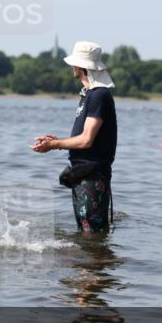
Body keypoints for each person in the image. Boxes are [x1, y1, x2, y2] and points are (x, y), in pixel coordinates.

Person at [31, 41, 117, 233]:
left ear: (79, 66)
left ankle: (93, 263)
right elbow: (84, 138)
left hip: (93, 176)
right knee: (87, 234)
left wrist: (54, 144)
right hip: (83, 173)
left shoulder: (99, 95)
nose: (71, 67)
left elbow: (86, 139)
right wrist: (59, 141)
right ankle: (92, 260)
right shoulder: (88, 95)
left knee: (91, 231)